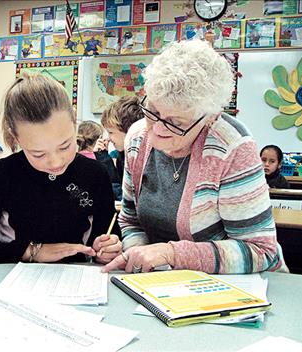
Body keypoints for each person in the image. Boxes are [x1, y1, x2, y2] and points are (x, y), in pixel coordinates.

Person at [103, 40, 288, 274]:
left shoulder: (232, 146)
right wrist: (138, 257)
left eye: (176, 122)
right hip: (163, 282)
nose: (158, 129)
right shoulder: (138, 138)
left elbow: (261, 251)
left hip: (237, 285)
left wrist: (171, 254)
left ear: (209, 118)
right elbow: (131, 222)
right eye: (154, 112)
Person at [0, 73, 121, 265]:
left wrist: (108, 248)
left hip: (78, 283)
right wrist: (31, 251)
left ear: (74, 121)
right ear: (15, 137)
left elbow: (109, 234)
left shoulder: (95, 173)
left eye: (65, 146)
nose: (56, 162)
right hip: (15, 280)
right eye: (38, 154)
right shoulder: (0, 176)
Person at [101, 96, 145, 183]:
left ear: (129, 130)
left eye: (111, 132)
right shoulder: (121, 157)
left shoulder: (145, 162)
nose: (108, 138)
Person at [77, 120, 122, 200]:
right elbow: (114, 184)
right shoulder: (102, 159)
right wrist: (103, 154)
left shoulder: (72, 158)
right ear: (100, 138)